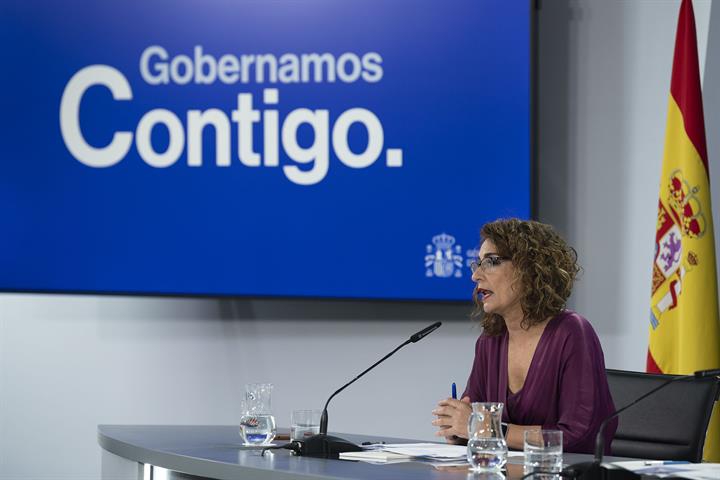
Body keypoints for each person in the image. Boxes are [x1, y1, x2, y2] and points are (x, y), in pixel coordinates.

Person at [432, 218, 617, 454]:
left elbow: (579, 437)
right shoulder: (491, 340)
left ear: (529, 268)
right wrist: (458, 428)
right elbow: (475, 423)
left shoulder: (572, 332)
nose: (476, 275)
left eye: (491, 262)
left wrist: (488, 429)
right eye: (476, 264)